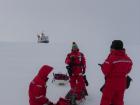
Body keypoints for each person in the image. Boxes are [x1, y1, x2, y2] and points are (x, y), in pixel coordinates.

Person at [99, 40, 133, 105]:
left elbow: (105, 71)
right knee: (119, 100)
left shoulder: (111, 58)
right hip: (122, 83)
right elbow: (128, 70)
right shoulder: (128, 59)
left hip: (111, 83)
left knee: (106, 100)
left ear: (113, 47)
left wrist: (102, 66)